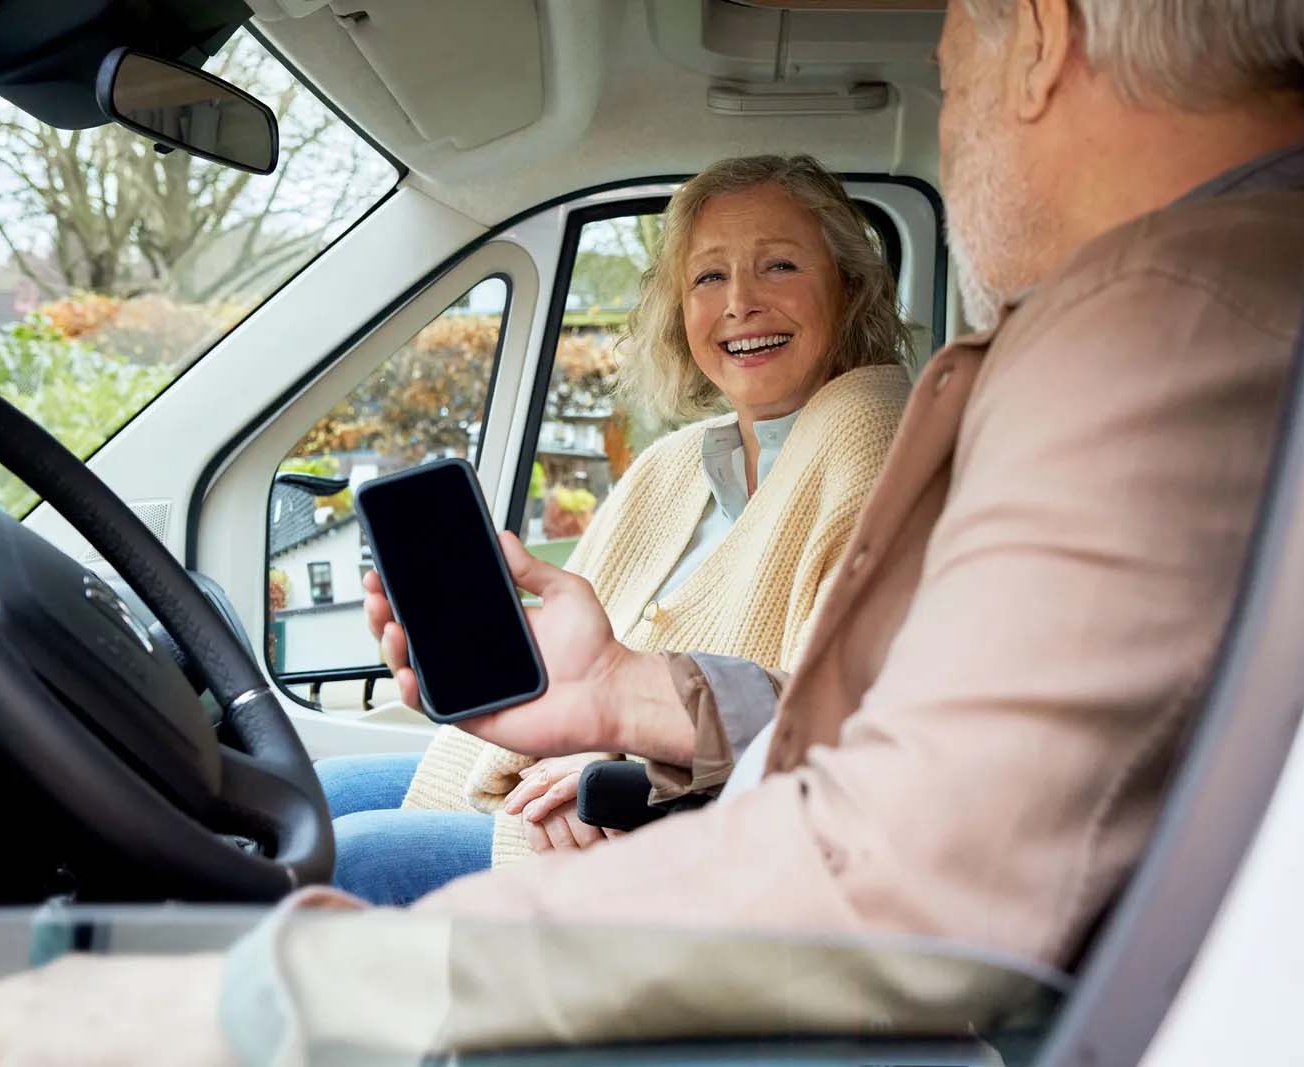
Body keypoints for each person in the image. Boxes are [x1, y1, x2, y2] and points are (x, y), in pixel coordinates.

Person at [0, 0, 1304, 1061]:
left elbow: (907, 865)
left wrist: (265, 1000)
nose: (949, 79)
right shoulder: (1211, 292)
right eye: (706, 279)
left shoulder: (1165, 320)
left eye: (954, 39)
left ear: (1039, 31)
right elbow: (946, 738)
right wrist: (634, 695)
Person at [315, 153, 913, 904]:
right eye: (709, 277)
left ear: (850, 287)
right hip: (544, 776)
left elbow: (828, 723)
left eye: (780, 266)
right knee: (316, 792)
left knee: (346, 857)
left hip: (660, 831)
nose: (740, 304)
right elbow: (577, 661)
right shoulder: (673, 464)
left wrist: (633, 767)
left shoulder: (872, 435)